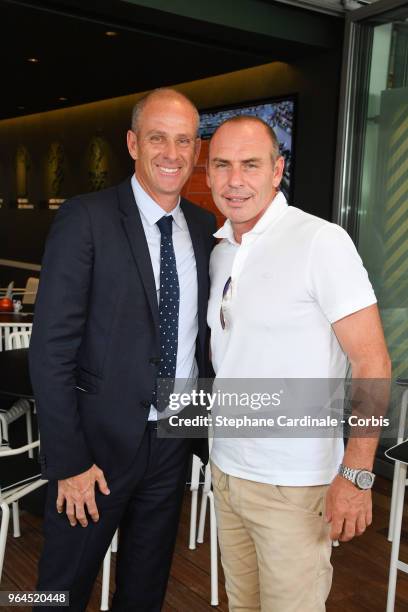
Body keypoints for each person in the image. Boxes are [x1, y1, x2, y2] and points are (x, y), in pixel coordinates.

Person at [29, 88, 216, 611]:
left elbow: (200, 343)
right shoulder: (84, 217)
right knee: (59, 591)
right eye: (158, 137)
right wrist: (69, 461)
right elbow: (50, 348)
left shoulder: (205, 228)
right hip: (94, 452)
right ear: (133, 143)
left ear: (196, 151)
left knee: (145, 589)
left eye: (183, 141)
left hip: (172, 440)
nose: (171, 153)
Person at [205, 116, 391, 611]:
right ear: (206, 174)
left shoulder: (320, 242)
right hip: (227, 474)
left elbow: (372, 361)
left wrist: (356, 473)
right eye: (221, 165)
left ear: (276, 170)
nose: (235, 180)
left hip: (294, 487)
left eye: (250, 164)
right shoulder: (222, 250)